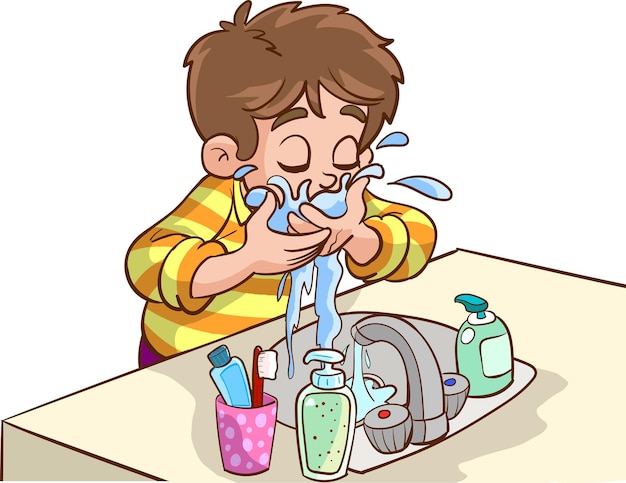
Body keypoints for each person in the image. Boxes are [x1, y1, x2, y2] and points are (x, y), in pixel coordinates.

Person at [125, 1, 436, 367]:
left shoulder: (341, 198)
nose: (323, 175)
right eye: (294, 157)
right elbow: (146, 263)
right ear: (228, 157)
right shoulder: (227, 196)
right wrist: (247, 257)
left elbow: (418, 236)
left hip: (273, 357)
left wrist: (358, 236)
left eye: (344, 152)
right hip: (183, 360)